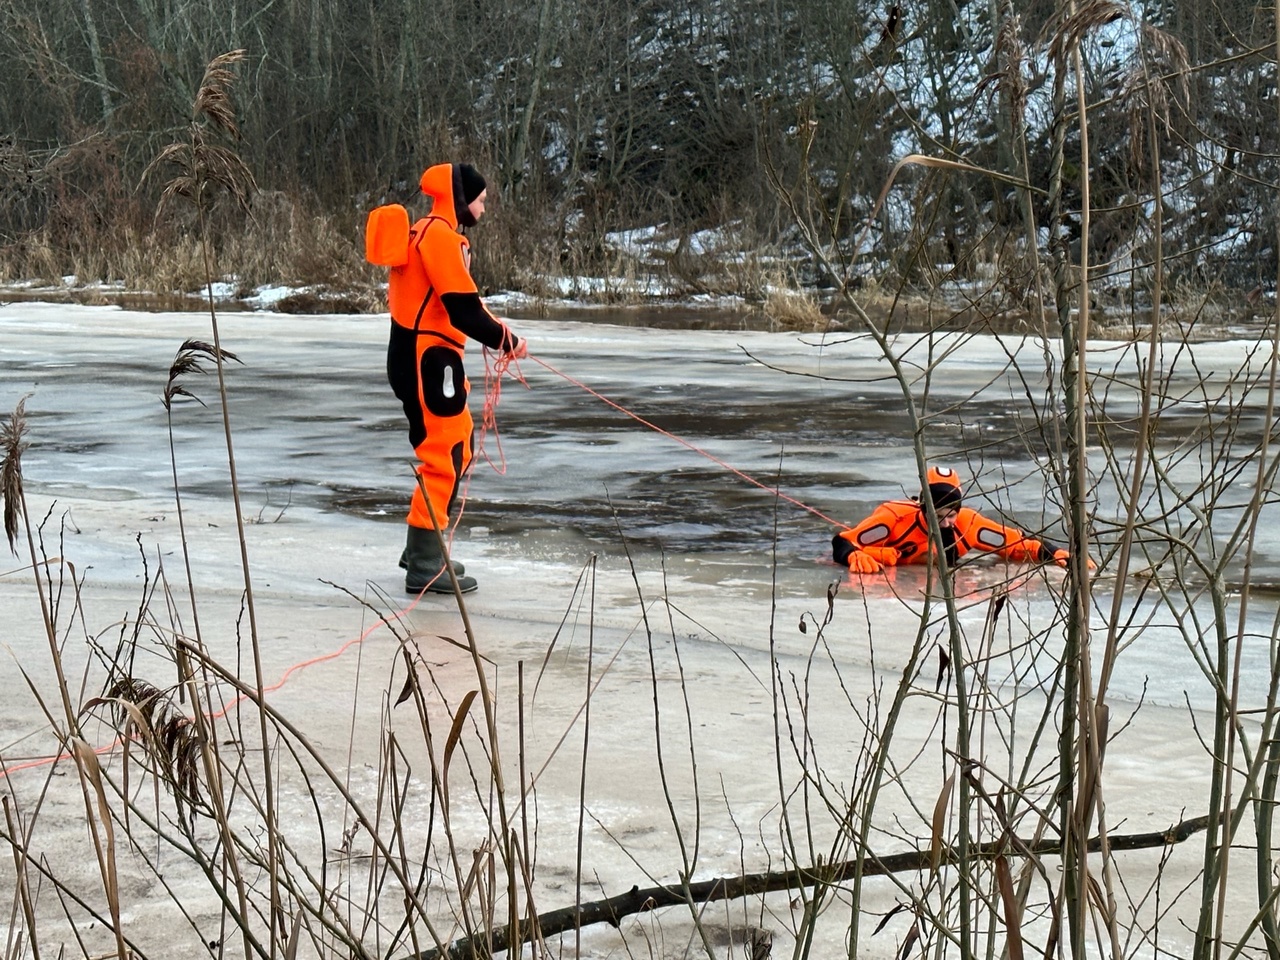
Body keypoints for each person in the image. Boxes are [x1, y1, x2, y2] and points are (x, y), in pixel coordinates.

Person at [386, 162, 527, 595]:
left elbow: (461, 303)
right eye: (482, 199)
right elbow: (463, 308)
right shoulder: (440, 237)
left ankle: (423, 550)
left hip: (426, 356)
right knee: (443, 453)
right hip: (427, 359)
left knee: (459, 443)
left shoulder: (425, 232)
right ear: (461, 198)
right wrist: (507, 340)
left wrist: (498, 331)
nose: (485, 208)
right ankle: (425, 563)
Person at [832, 465, 1091, 573]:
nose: (946, 523)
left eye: (951, 515)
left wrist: (1056, 553)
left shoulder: (969, 524)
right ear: (924, 508)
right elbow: (843, 542)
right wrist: (854, 555)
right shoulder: (894, 518)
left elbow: (1016, 544)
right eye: (939, 516)